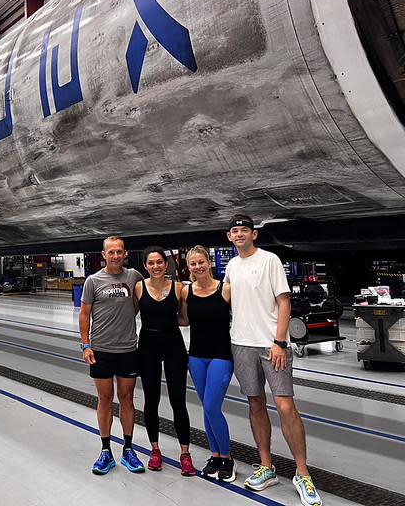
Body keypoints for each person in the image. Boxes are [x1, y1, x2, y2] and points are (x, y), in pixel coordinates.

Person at [225, 213, 322, 506]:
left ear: (254, 234)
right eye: (235, 231)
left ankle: (302, 473)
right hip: (241, 344)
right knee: (255, 403)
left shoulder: (269, 260)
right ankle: (266, 467)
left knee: (284, 405)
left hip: (271, 346)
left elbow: (284, 301)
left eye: (244, 230)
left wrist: (280, 342)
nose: (240, 234)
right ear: (229, 237)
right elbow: (225, 298)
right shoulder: (231, 265)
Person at [79, 236, 145, 475]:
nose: (116, 256)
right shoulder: (93, 281)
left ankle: (128, 449)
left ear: (125, 253)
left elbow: (141, 301)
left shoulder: (134, 277)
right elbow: (84, 314)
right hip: (101, 350)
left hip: (128, 349)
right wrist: (86, 345)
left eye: (119, 252)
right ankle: (106, 451)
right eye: (111, 252)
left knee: (127, 399)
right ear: (103, 255)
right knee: (104, 399)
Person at [134, 246, 195, 476]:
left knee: (178, 401)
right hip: (148, 345)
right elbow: (129, 314)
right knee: (151, 399)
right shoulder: (138, 288)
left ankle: (185, 453)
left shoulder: (179, 288)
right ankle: (155, 450)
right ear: (145, 266)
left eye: (159, 262)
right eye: (151, 263)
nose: (156, 266)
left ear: (166, 263)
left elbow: (185, 319)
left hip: (173, 345)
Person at [179, 246, 235, 482]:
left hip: (221, 356)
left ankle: (228, 459)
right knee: (206, 407)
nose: (198, 267)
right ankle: (215, 456)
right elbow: (182, 319)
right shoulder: (185, 292)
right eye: (193, 264)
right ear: (189, 267)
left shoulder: (226, 289)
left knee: (212, 406)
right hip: (197, 356)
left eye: (201, 262)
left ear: (209, 263)